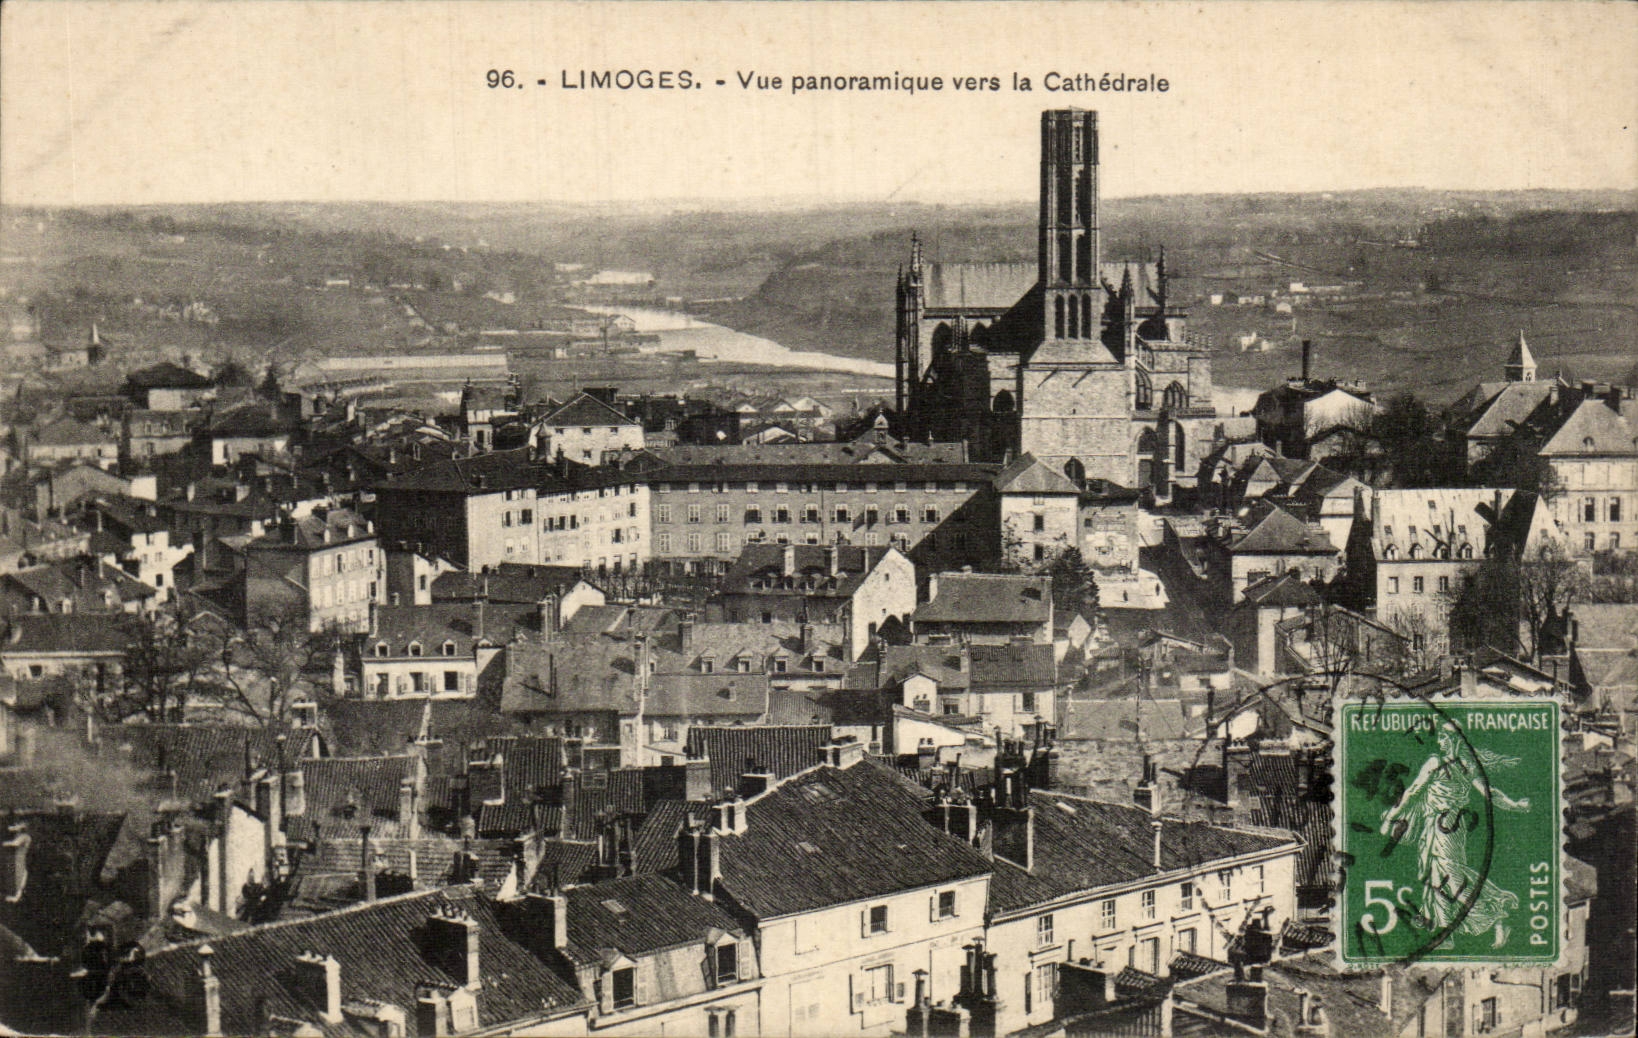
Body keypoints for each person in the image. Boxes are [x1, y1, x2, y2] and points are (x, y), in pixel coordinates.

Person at [1379, 723, 1530, 948]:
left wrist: (1392, 816)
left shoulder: (1439, 763)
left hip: (1444, 826)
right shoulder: (1465, 766)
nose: (1440, 743)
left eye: (1444, 739)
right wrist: (1513, 805)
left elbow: (1412, 792)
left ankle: (1496, 915)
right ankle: (1445, 932)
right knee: (1434, 875)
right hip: (1443, 825)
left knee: (1450, 877)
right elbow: (1491, 794)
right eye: (1440, 738)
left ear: (1456, 741)